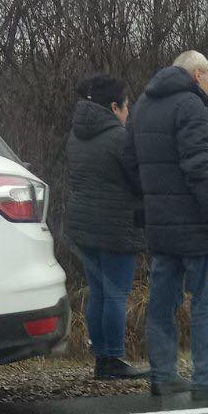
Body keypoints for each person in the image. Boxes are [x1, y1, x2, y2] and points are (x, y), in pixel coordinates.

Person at [124, 50, 208, 400]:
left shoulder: (142, 105)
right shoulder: (190, 106)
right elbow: (198, 168)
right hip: (194, 224)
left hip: (160, 225)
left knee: (162, 303)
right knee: (207, 302)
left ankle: (163, 376)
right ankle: (207, 380)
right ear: (196, 75)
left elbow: (129, 161)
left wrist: (153, 198)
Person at [65, 73, 148, 380]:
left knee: (99, 293)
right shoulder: (119, 138)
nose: (128, 112)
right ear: (114, 107)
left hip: (84, 226)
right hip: (116, 228)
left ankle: (101, 358)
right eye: (126, 106)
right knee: (116, 294)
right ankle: (113, 358)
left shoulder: (75, 136)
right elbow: (139, 182)